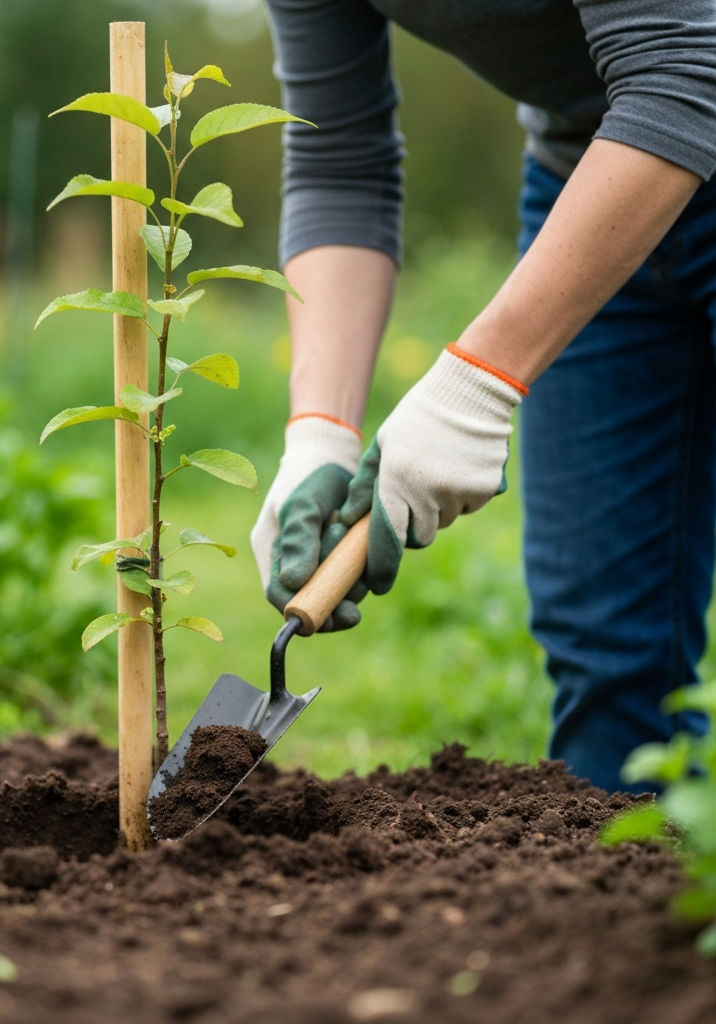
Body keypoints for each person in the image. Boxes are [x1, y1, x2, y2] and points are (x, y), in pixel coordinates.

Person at [252, 0, 716, 792]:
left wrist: (478, 383)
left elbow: (681, 66)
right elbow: (340, 162)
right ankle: (645, 907)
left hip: (670, 114)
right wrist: (318, 433)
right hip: (591, 179)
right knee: (607, 649)